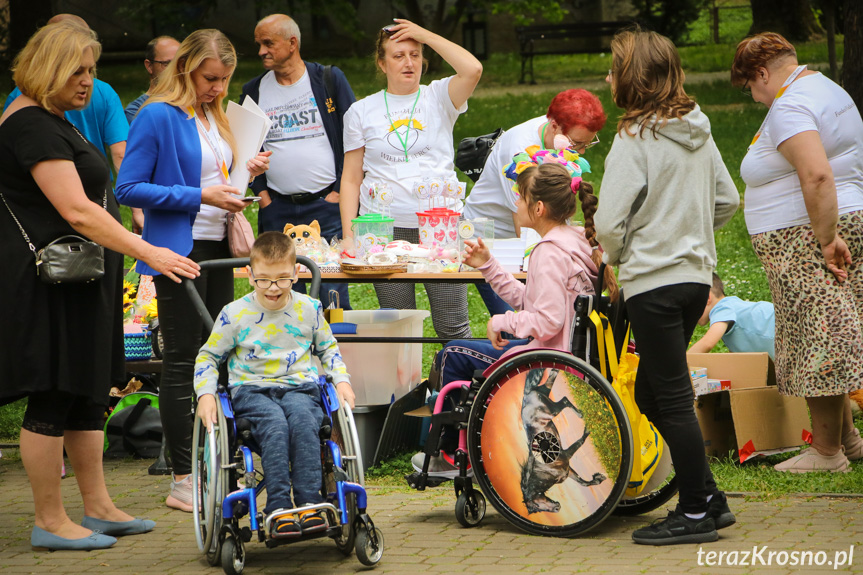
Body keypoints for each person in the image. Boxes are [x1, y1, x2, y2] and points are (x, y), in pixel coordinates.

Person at [0, 21, 199, 551]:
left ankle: (99, 507)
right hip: (51, 285)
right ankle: (49, 519)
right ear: (47, 69)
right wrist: (149, 251)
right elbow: (76, 211)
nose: (88, 81)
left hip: (84, 280)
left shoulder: (55, 119)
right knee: (54, 392)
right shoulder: (31, 125)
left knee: (89, 392)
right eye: (77, 71)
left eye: (91, 70)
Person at [116, 29, 271, 513]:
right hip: (178, 251)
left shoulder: (214, 114)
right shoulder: (157, 115)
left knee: (221, 354)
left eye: (224, 79)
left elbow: (215, 176)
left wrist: (247, 170)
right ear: (185, 68)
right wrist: (200, 196)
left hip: (219, 245)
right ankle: (182, 475)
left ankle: (217, 462)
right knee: (184, 360)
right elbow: (129, 188)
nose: (218, 88)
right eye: (210, 78)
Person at [594, 28, 740, 546]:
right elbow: (728, 201)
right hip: (694, 282)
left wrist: (620, 254)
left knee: (671, 397)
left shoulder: (634, 137)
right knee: (655, 391)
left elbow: (610, 222)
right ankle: (711, 499)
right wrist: (687, 236)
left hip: (653, 283)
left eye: (614, 70)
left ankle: (696, 513)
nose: (608, 78)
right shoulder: (698, 130)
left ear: (632, 79)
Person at [413, 153, 619, 477]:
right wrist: (488, 265)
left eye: (521, 198)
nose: (517, 205)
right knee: (460, 352)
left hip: (549, 358)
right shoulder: (577, 240)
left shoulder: (549, 252)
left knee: (453, 352)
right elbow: (533, 301)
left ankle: (450, 454)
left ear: (538, 208)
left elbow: (548, 320)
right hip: (567, 351)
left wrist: (501, 322)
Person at [730, 32, 863, 472]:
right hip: (834, 225)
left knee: (819, 340)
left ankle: (826, 453)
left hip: (808, 237)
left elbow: (818, 175)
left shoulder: (789, 105)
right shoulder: (828, 89)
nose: (754, 97)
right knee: (829, 333)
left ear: (763, 73)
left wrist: (825, 240)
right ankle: (845, 439)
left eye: (751, 87)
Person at [195, 232, 355, 536]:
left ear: (296, 273)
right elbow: (207, 357)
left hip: (299, 388)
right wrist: (205, 394)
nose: (273, 288)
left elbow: (329, 349)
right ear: (250, 274)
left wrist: (342, 381)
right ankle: (278, 507)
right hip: (251, 389)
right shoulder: (235, 314)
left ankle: (310, 504)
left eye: (282, 279)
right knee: (275, 425)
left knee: (304, 421)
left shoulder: (309, 308)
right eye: (264, 280)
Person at [340, 19, 482, 339]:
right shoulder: (361, 111)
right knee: (397, 327)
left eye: (415, 54)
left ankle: (456, 389)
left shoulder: (439, 96)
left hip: (439, 230)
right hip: (384, 231)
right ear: (381, 63)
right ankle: (407, 389)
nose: (409, 62)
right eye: (398, 55)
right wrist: (351, 235)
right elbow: (350, 179)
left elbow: (472, 69)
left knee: (452, 325)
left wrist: (425, 35)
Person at [241, 14, 356, 310]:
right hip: (277, 208)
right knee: (277, 288)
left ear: (292, 43)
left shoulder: (327, 79)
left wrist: (340, 192)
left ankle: (333, 350)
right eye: (259, 44)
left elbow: (354, 136)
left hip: (326, 204)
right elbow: (244, 148)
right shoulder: (253, 91)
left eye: (268, 43)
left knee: (332, 294)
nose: (261, 51)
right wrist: (264, 196)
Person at [463, 89, 606, 316]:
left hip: (534, 237)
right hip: (491, 239)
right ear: (554, 125)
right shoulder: (520, 150)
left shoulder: (561, 135)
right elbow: (527, 219)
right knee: (519, 324)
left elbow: (553, 210)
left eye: (587, 144)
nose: (580, 152)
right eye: (577, 144)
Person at [689, 273, 775, 358]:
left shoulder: (722, 308)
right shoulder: (731, 309)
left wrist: (681, 365)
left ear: (707, 297)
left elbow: (707, 343)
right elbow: (735, 359)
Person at [124, 35, 180, 124]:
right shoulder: (136, 111)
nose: (176, 70)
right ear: (149, 66)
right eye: (167, 64)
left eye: (180, 63)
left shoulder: (196, 104)